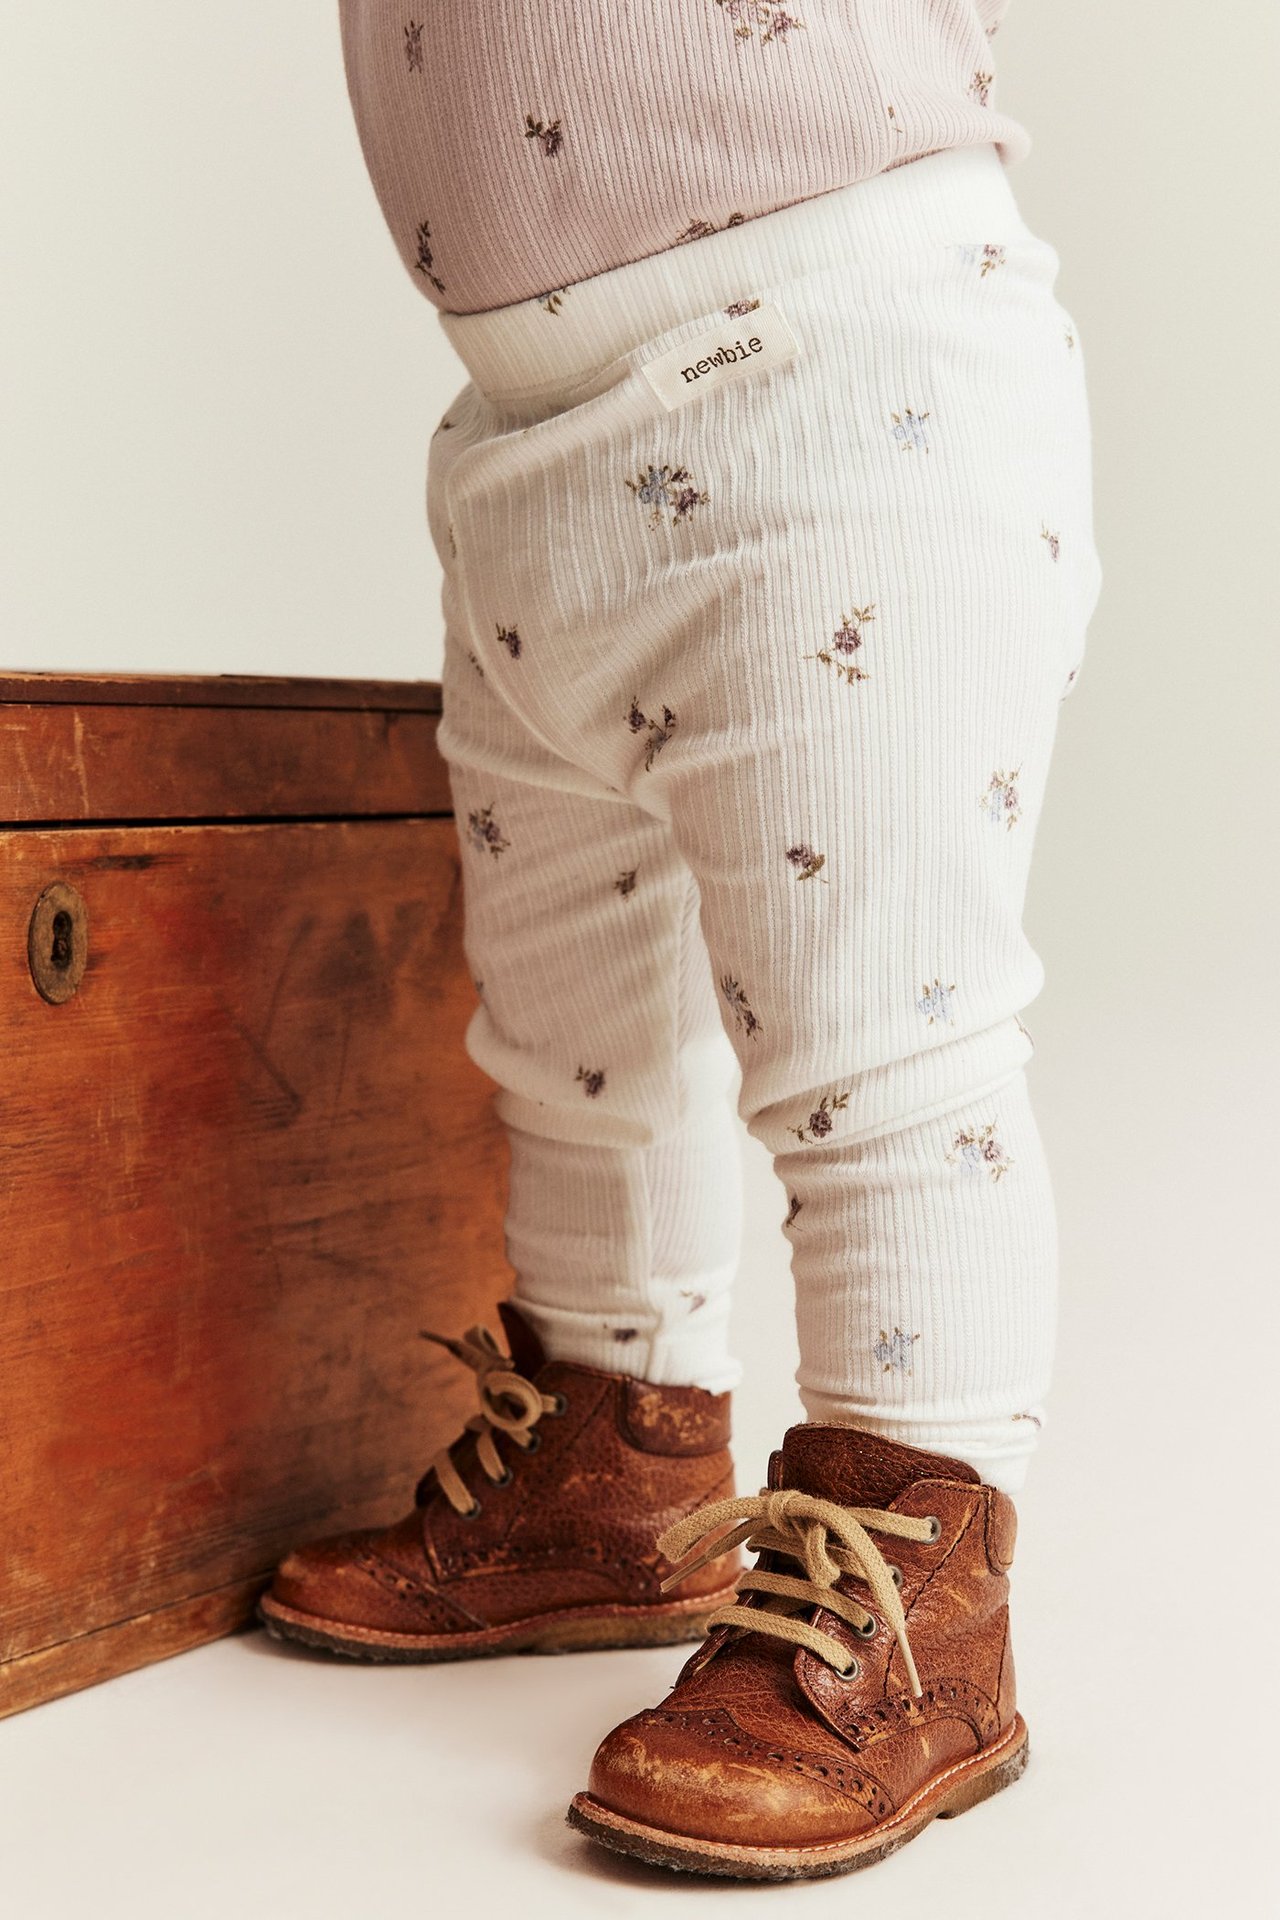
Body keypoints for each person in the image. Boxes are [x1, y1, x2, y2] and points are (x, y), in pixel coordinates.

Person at [261, 0, 1101, 1880]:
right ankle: (611, 1458)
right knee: (567, 1035)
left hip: (842, 372)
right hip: (523, 448)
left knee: (888, 1046)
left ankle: (923, 1575)